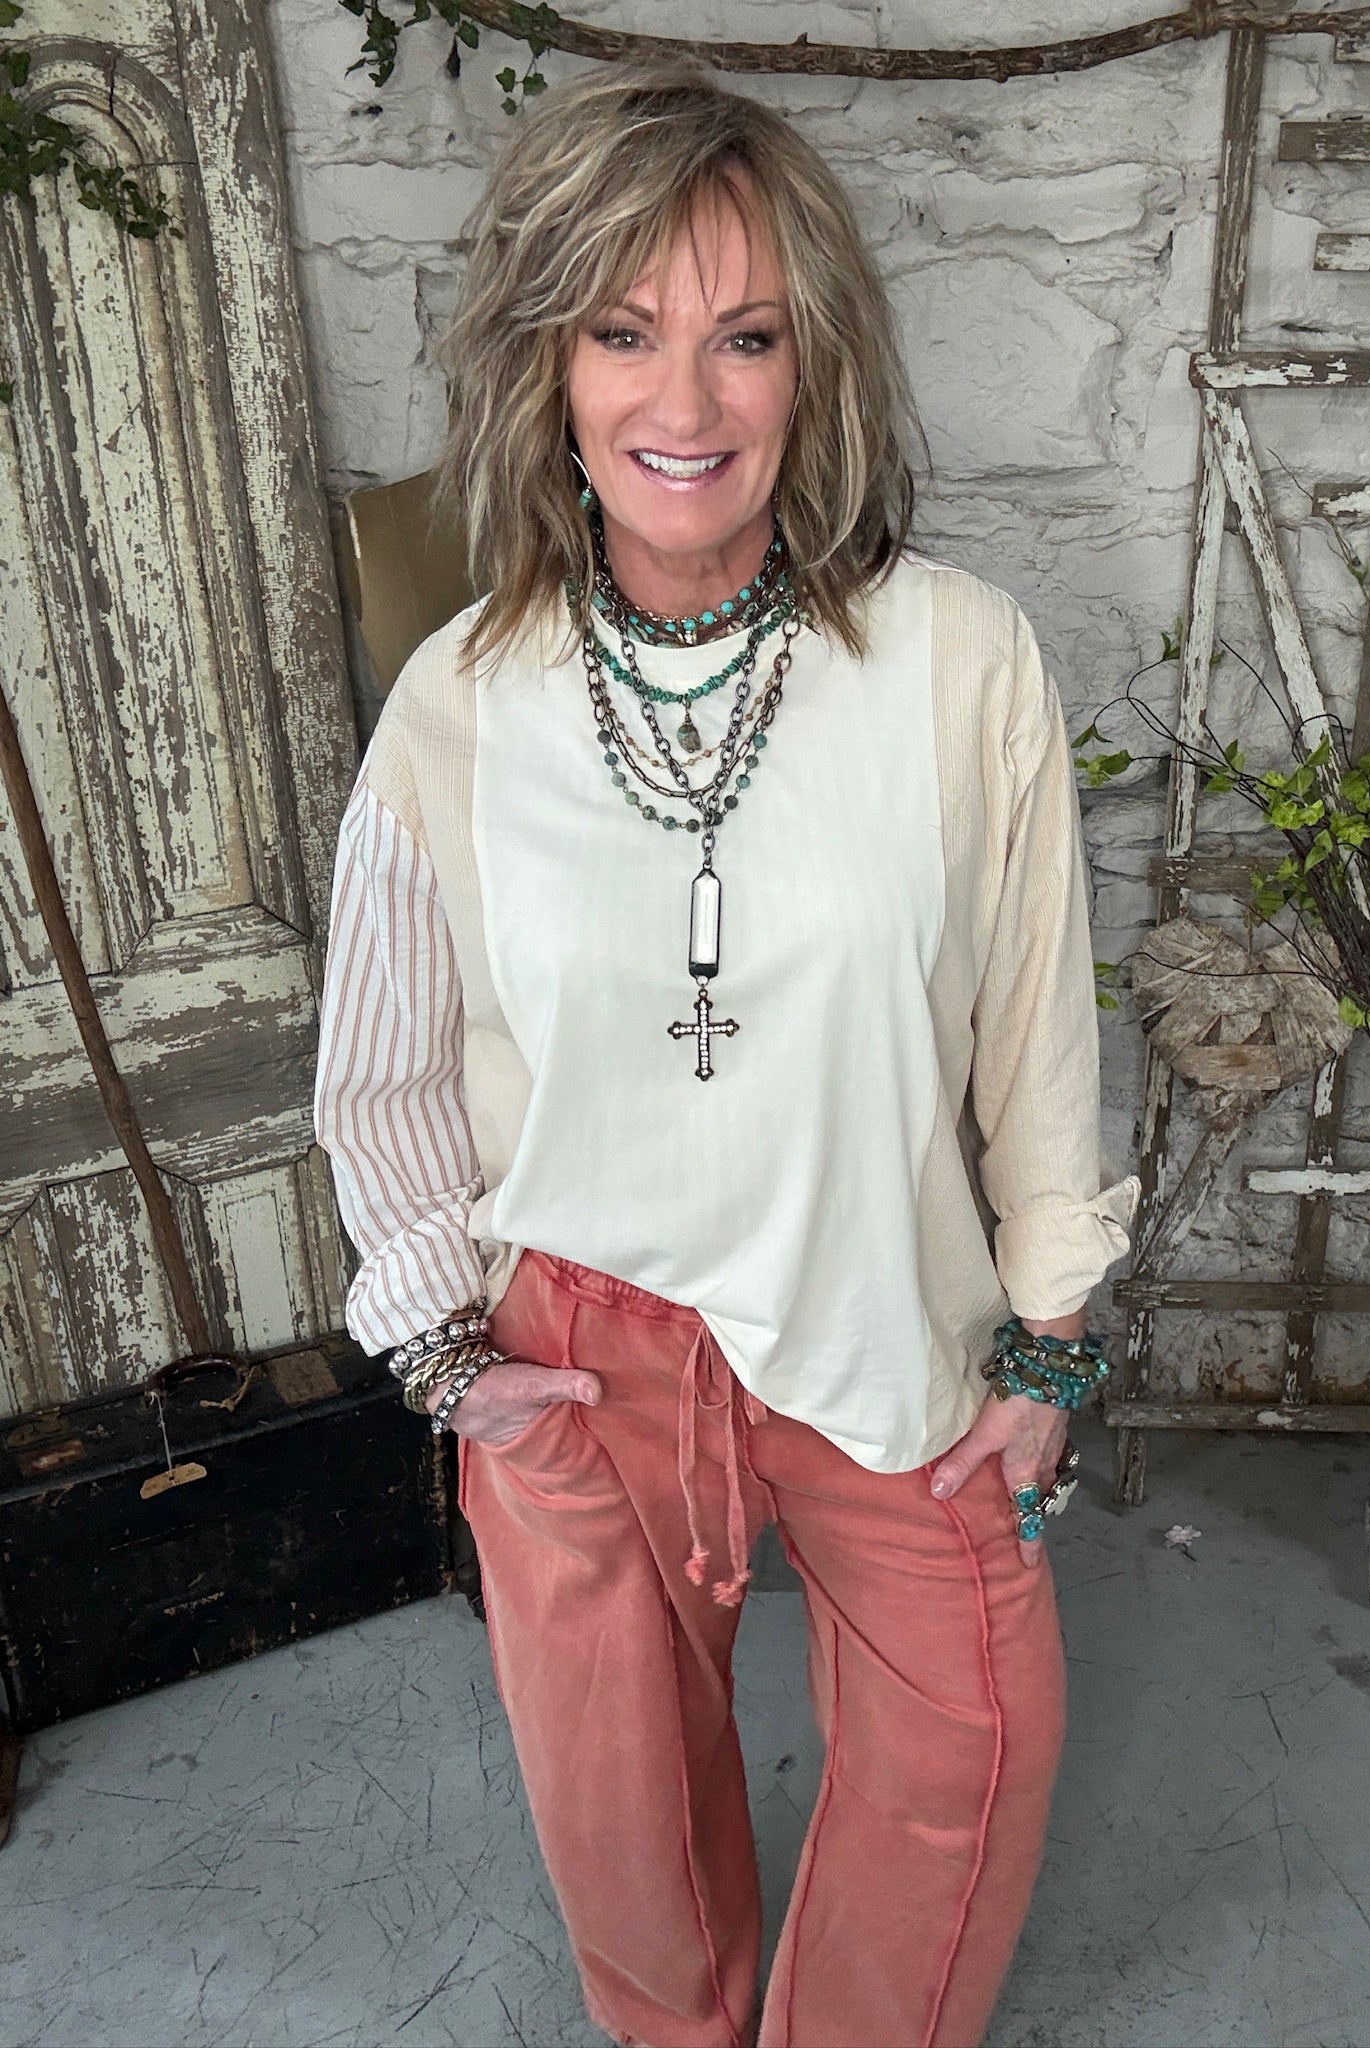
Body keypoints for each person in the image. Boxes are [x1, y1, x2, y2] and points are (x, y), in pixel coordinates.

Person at [314, 59, 1139, 2048]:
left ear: (812, 365)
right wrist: (447, 1349)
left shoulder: (960, 662)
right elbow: (388, 1066)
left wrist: (1046, 1337)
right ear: (547, 363)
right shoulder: (460, 704)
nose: (683, 402)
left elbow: (1036, 1026)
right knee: (624, 1817)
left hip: (885, 1300)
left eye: (744, 336)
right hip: (585, 1343)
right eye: (625, 331)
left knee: (974, 1751)